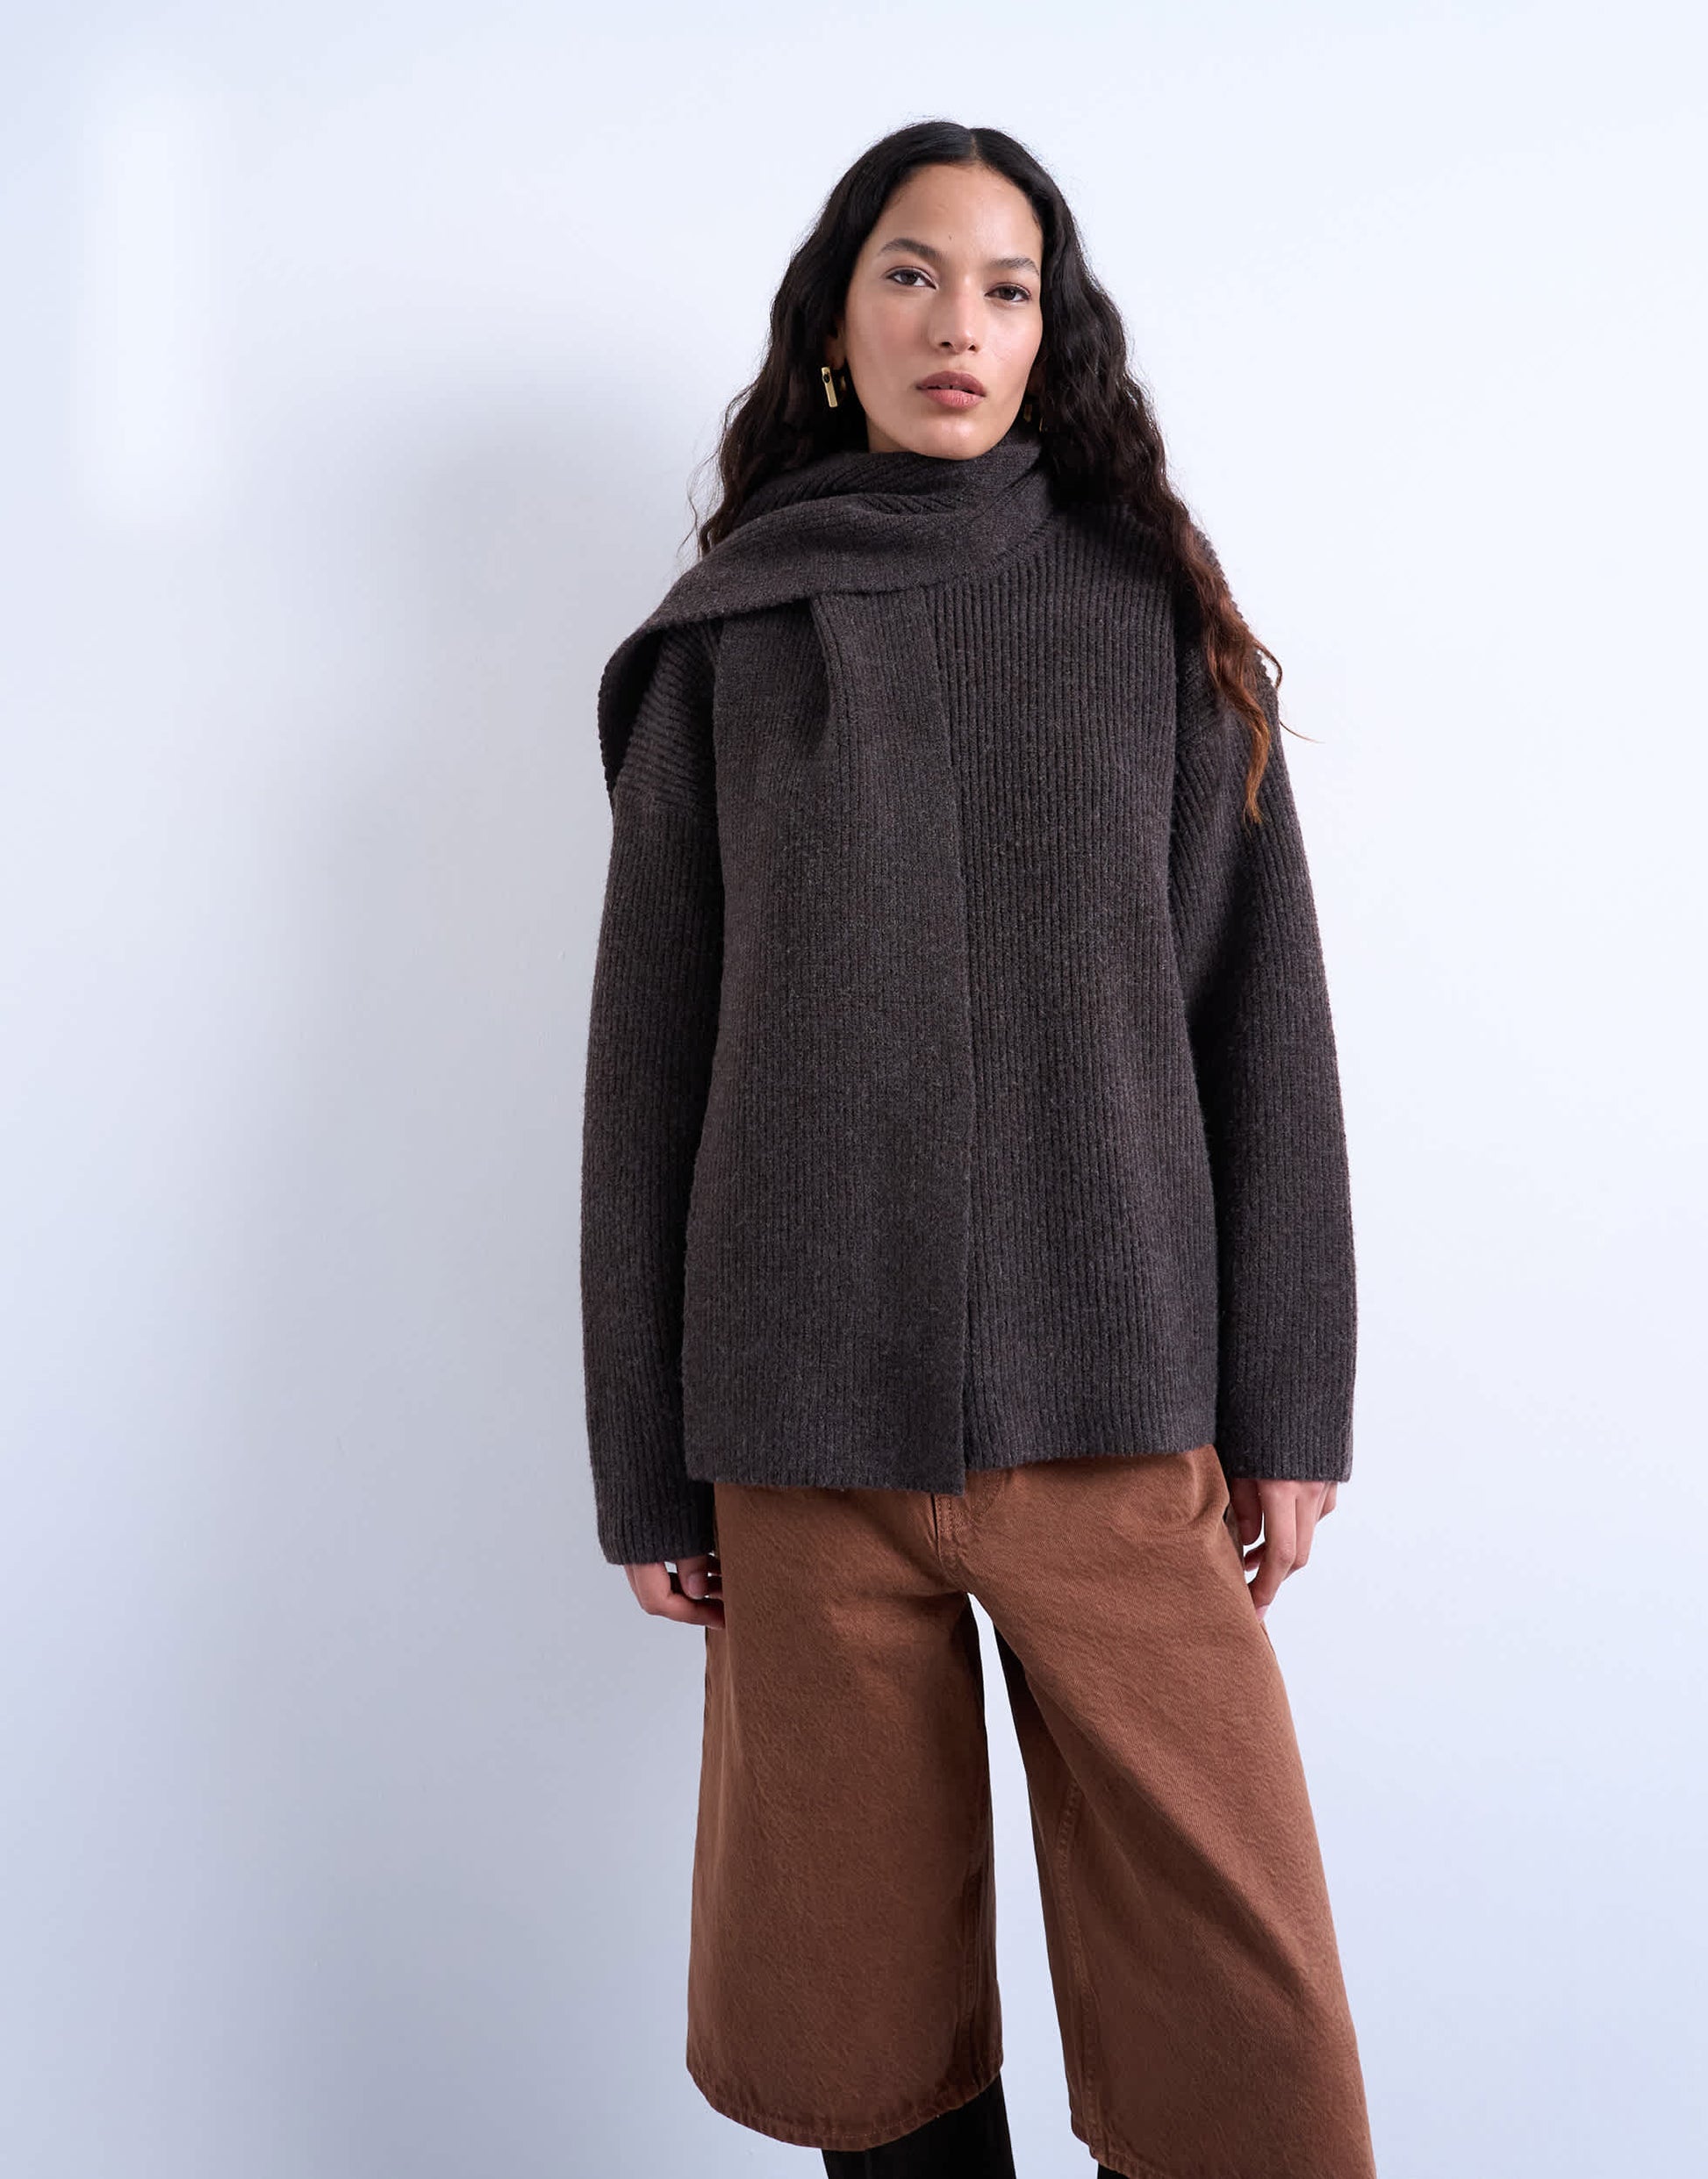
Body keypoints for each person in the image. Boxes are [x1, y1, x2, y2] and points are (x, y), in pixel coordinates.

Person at [580, 119, 1378, 2179]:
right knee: (868, 2044)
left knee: (1244, 2033)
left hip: (1118, 1417)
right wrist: (646, 1468)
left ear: (1050, 336)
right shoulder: (729, 645)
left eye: (1006, 288)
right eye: (913, 275)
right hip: (803, 1436)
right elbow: (648, 1070)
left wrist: (1289, 1408)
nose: (960, 322)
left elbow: (1262, 1024)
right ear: (835, 327)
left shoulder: (1153, 618)